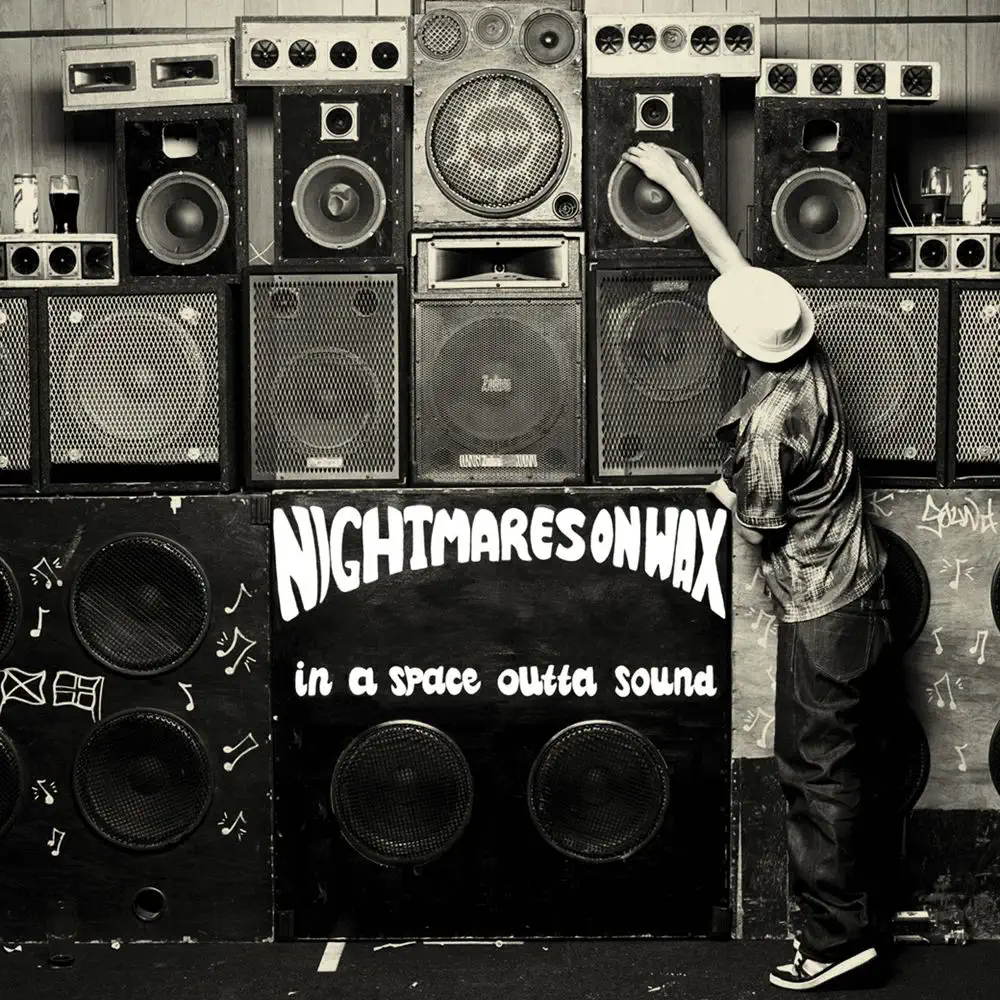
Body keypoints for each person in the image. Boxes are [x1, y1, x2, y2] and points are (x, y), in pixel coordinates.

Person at [621, 142, 894, 991]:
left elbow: (760, 522)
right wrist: (677, 188)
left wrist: (722, 487)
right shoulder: (803, 355)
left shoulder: (770, 425)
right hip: (858, 589)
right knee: (827, 766)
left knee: (816, 773)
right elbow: (733, 265)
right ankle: (843, 927)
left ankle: (838, 942)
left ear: (740, 343)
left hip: (823, 610)